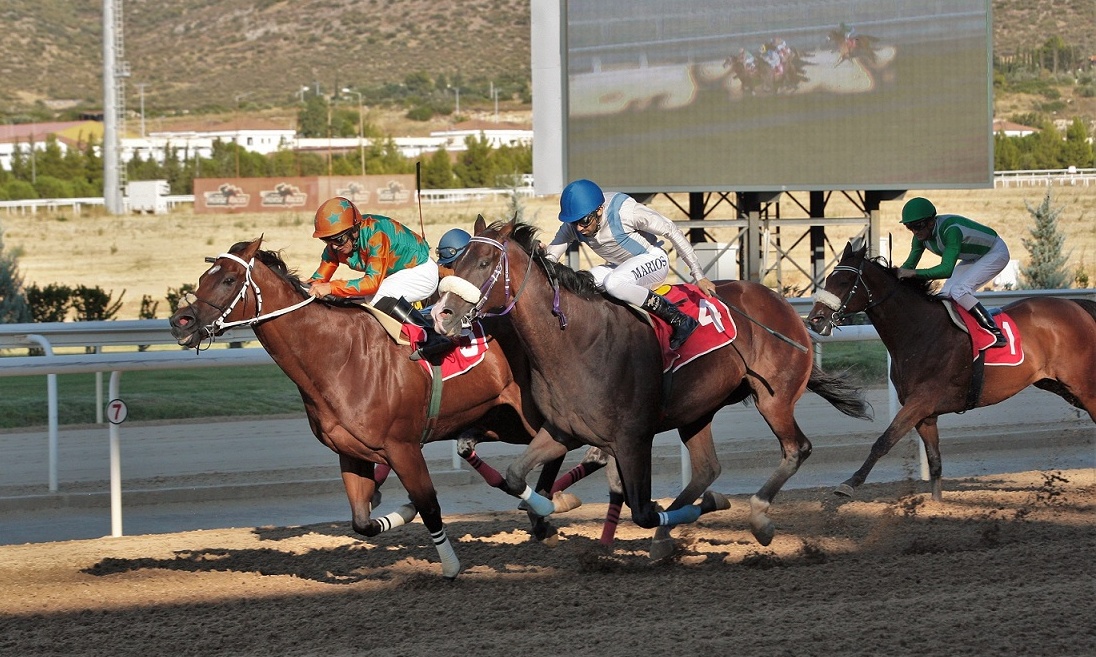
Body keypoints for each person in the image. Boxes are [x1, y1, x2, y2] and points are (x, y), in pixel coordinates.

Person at [543, 179, 718, 350]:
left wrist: (699, 276)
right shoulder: (573, 225)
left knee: (614, 283)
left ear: (599, 210)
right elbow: (550, 258)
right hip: (618, 267)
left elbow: (671, 229)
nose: (579, 228)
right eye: (574, 222)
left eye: (584, 221)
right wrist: (538, 256)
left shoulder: (626, 211)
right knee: (580, 284)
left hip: (653, 259)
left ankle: (680, 319)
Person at [308, 196, 452, 360]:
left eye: (339, 239)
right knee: (351, 297)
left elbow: (371, 284)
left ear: (355, 230)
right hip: (399, 274)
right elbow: (318, 280)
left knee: (374, 296)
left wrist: (331, 287)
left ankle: (432, 336)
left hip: (421, 271)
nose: (334, 246)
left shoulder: (376, 235)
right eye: (326, 240)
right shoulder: (336, 246)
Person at [897, 196, 1010, 348]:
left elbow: (946, 269)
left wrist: (914, 274)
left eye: (918, 226)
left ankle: (994, 332)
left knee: (960, 290)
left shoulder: (951, 231)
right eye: (909, 227)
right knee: (945, 295)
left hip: (995, 252)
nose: (915, 231)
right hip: (974, 257)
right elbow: (908, 266)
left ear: (931, 222)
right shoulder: (920, 237)